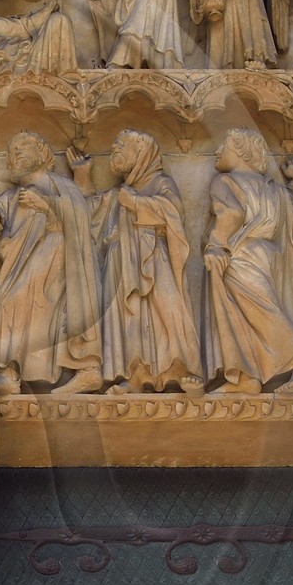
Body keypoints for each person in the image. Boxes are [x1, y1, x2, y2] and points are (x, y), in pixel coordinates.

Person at [202, 129, 293, 391]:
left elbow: (231, 213)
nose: (217, 151)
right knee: (251, 309)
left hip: (242, 254)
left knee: (256, 309)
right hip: (270, 255)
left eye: (223, 146)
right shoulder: (275, 190)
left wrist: (216, 245)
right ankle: (247, 375)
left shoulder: (225, 182)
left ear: (241, 151)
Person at [0, 132, 103, 393]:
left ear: (43, 154)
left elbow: (80, 215)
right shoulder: (10, 197)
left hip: (55, 254)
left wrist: (45, 204)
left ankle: (22, 371)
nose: (16, 153)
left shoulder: (59, 184)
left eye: (23, 147)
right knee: (7, 301)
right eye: (11, 151)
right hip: (17, 263)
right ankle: (10, 373)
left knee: (33, 302)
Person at [90, 128, 199, 389]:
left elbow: (174, 213)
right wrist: (82, 178)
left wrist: (138, 203)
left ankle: (179, 368)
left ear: (140, 152)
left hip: (154, 259)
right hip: (122, 264)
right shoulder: (119, 192)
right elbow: (90, 213)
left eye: (121, 145)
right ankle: (136, 375)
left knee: (167, 310)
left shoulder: (160, 182)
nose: (115, 149)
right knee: (130, 319)